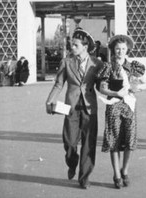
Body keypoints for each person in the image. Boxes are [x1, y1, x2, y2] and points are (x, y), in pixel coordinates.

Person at [45, 29, 104, 189]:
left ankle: (84, 177)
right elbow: (58, 84)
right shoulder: (66, 62)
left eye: (76, 45)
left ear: (85, 47)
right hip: (70, 107)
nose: (73, 47)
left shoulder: (97, 64)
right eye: (72, 45)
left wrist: (117, 93)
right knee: (70, 141)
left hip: (90, 108)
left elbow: (101, 86)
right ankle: (72, 163)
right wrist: (49, 100)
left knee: (88, 143)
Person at [97, 34, 146, 189]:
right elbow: (101, 87)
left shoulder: (133, 67)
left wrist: (137, 87)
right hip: (113, 105)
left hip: (129, 106)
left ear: (128, 50)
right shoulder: (108, 67)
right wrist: (115, 93)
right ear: (113, 49)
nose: (120, 51)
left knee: (129, 138)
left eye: (123, 49)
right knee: (113, 139)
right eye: (117, 49)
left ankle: (125, 170)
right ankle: (117, 174)